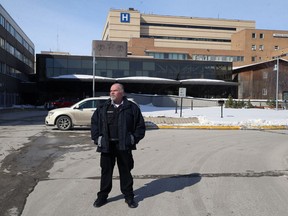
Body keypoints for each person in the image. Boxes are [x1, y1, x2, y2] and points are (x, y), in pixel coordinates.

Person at [91, 83, 146, 208]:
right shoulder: (103, 107)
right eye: (111, 90)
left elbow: (140, 127)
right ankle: (102, 197)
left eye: (115, 91)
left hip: (124, 147)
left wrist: (133, 139)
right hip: (107, 146)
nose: (112, 93)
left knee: (125, 172)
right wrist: (97, 139)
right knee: (106, 173)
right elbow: (94, 124)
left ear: (122, 92)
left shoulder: (131, 108)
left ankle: (129, 197)